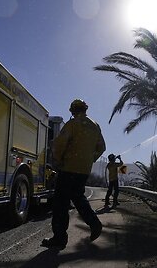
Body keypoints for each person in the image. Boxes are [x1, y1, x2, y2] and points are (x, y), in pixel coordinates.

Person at [42, 99, 106, 248]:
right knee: (78, 198)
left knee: (60, 204)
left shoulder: (73, 124)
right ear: (85, 109)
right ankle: (94, 223)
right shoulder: (95, 126)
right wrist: (90, 159)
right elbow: (102, 147)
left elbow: (59, 144)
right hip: (83, 171)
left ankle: (59, 239)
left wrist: (57, 161)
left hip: (68, 168)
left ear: (72, 111)